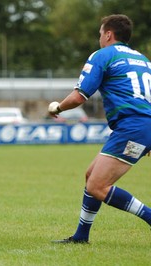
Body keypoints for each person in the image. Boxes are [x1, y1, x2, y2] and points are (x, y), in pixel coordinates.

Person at [48, 14, 151, 243]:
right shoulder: (143, 60)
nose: (99, 39)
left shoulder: (103, 55)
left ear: (108, 34)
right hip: (141, 125)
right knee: (91, 176)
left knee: (97, 185)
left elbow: (78, 97)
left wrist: (58, 108)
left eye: (100, 35)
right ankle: (81, 236)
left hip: (132, 125)